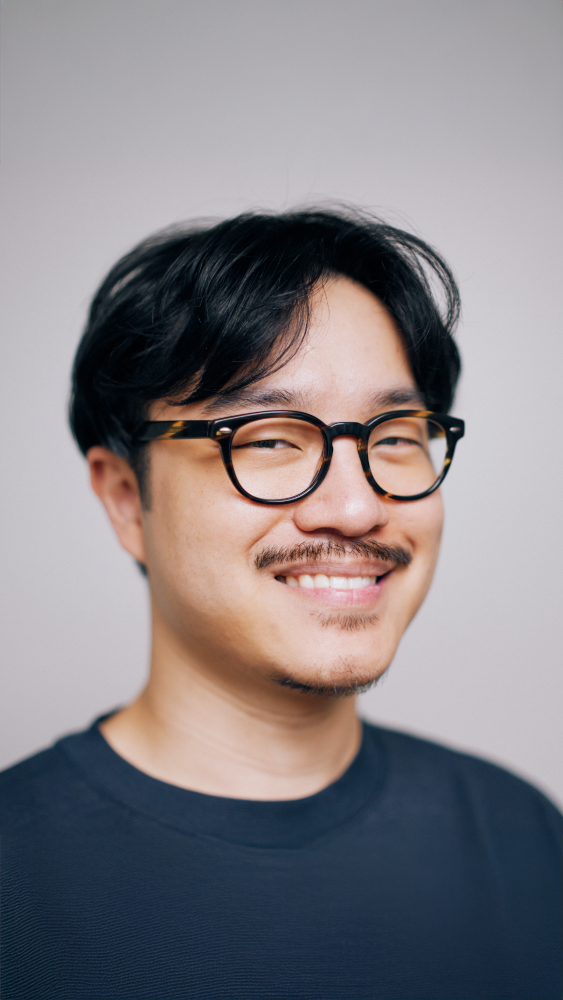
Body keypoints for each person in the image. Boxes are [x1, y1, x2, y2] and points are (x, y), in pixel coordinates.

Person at [1, 208, 560, 999]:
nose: (357, 507)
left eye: (395, 435)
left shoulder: (521, 836)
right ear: (128, 499)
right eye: (268, 437)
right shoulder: (16, 879)